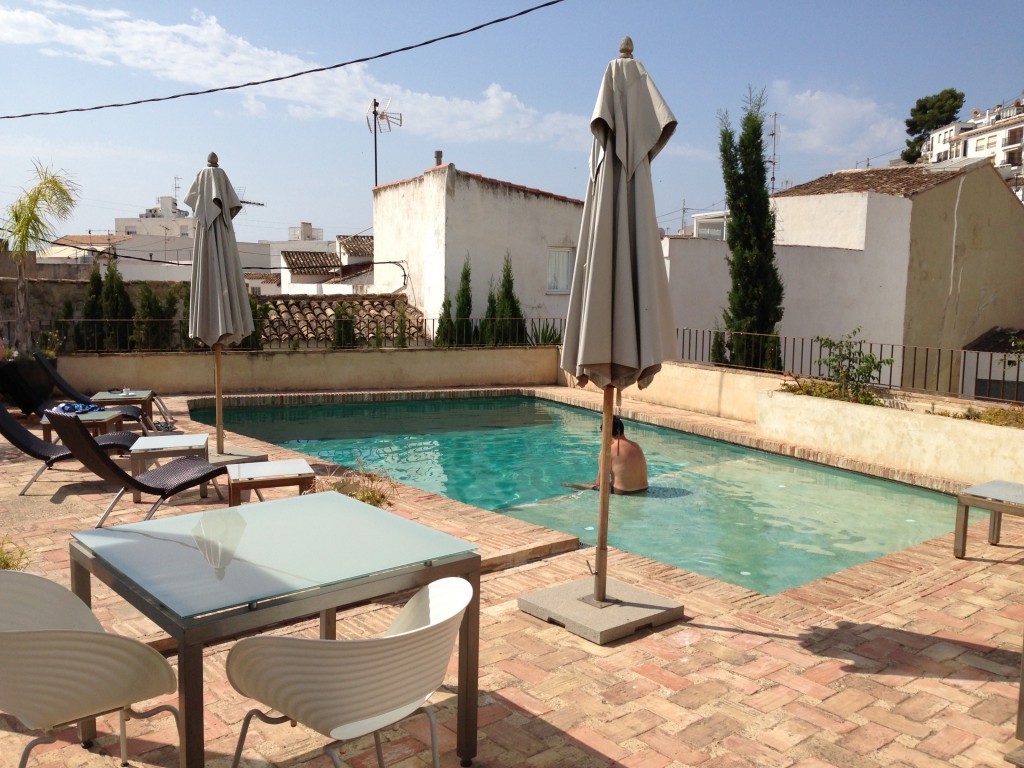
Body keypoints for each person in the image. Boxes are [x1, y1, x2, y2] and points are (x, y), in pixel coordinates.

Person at [595, 416, 648, 494]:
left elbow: (600, 483)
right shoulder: (636, 445)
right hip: (644, 489)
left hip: (622, 492)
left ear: (605, 432)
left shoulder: (608, 451)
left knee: (577, 486)